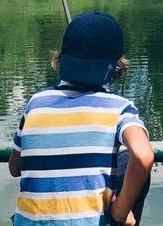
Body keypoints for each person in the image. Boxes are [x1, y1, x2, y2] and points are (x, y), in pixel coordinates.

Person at [9, 12, 155, 226]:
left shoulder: (35, 103)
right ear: (116, 67)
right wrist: (121, 212)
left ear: (60, 59)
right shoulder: (119, 109)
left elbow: (15, 168)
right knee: (124, 161)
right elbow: (143, 156)